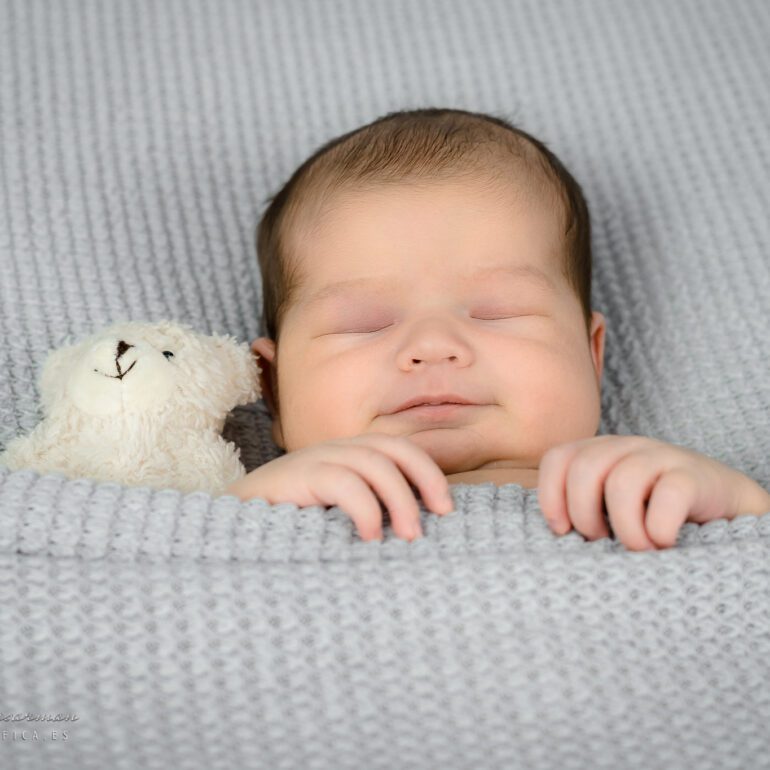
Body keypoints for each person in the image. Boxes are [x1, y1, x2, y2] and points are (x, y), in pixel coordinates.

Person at [225, 107, 770, 549]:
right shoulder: (256, 513)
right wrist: (247, 510)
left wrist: (738, 504)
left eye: (497, 313)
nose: (433, 346)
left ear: (591, 356)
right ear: (275, 389)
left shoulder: (639, 491)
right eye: (366, 324)